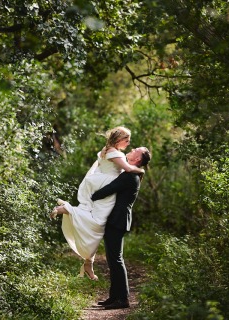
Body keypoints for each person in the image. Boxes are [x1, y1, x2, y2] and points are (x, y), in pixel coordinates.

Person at [50, 126, 144, 280]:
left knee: (97, 222)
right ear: (119, 139)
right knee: (98, 222)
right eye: (126, 140)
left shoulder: (107, 150)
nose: (128, 143)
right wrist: (141, 171)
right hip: (106, 186)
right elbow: (127, 168)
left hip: (101, 183)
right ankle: (66, 209)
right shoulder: (115, 152)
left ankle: (88, 262)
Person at [92, 146, 151, 310]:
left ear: (137, 159)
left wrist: (91, 196)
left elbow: (108, 190)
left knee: (116, 259)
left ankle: (123, 299)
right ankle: (114, 296)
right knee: (112, 259)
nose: (131, 149)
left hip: (118, 221)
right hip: (117, 220)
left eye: (135, 150)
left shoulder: (130, 176)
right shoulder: (130, 173)